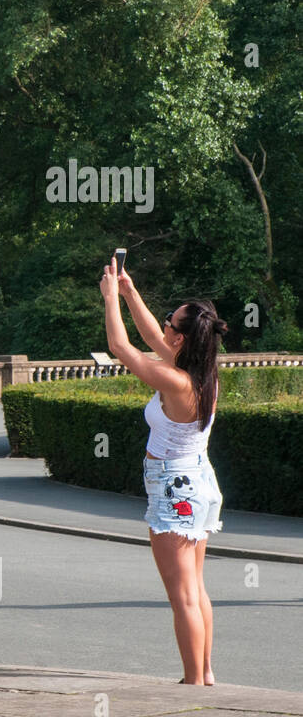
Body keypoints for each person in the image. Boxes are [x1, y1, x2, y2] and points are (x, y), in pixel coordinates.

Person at [101, 258, 228, 685]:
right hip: (198, 484)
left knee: (182, 597)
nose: (164, 325)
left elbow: (122, 349)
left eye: (170, 321)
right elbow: (153, 336)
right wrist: (128, 291)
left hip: (175, 490)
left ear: (182, 336)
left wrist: (108, 301)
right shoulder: (201, 373)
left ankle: (193, 682)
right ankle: (205, 672)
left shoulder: (176, 383)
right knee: (195, 589)